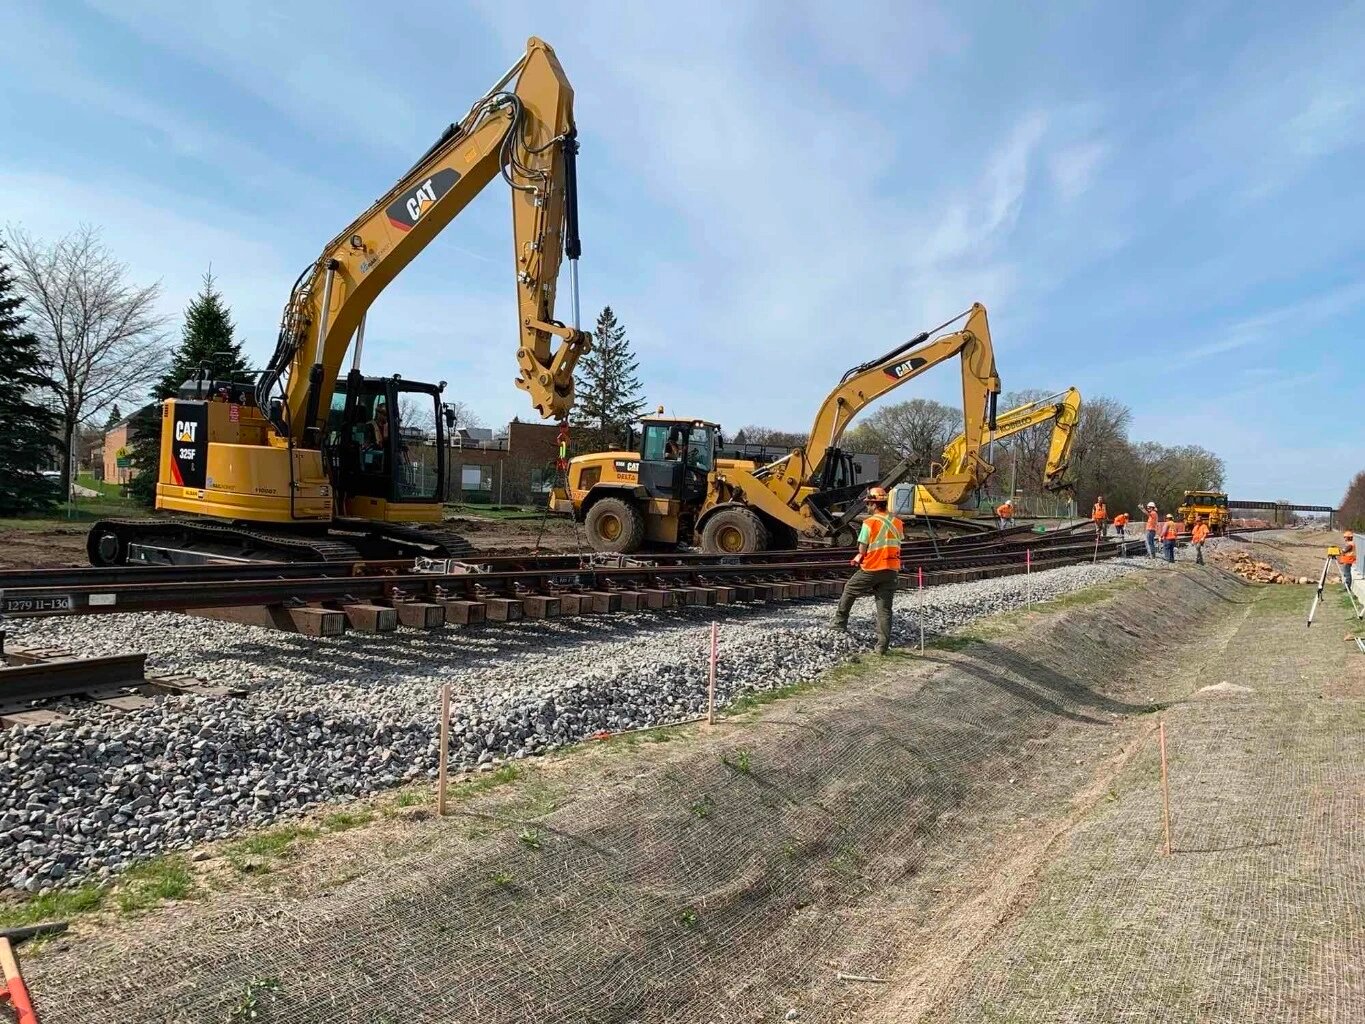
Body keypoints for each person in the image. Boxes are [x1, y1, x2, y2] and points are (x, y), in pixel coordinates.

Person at [833, 486, 903, 655]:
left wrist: (859, 556)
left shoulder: (869, 523)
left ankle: (839, 624)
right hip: (891, 569)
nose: (867, 507)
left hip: (872, 567)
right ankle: (882, 647)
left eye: (868, 504)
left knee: (850, 589)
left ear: (873, 504)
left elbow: (863, 548)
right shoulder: (898, 523)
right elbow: (894, 542)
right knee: (885, 609)